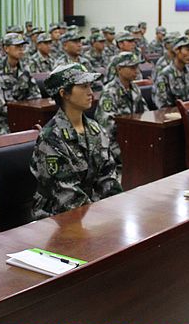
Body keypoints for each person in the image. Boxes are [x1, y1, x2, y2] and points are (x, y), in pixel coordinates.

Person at [30, 63, 122, 220]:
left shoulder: (95, 129)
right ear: (64, 93)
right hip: (54, 218)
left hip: (89, 212)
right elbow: (67, 196)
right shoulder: (50, 138)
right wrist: (102, 218)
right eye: (84, 86)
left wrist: (119, 207)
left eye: (90, 86)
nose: (90, 92)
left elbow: (108, 177)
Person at [94, 52, 147, 170]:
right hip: (115, 143)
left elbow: (146, 114)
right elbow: (106, 128)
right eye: (132, 67)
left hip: (133, 139)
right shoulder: (109, 92)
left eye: (137, 67)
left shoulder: (135, 88)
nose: (136, 71)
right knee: (142, 158)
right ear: (119, 69)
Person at [0, 33, 42, 135]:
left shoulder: (25, 69)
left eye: (22, 46)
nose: (21, 49)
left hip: (24, 117)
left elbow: (36, 96)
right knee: (16, 137)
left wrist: (29, 112)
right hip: (1, 121)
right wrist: (23, 113)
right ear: (6, 48)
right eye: (17, 46)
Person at [153, 35, 189, 108]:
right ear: (176, 50)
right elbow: (162, 105)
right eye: (188, 50)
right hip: (175, 114)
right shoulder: (164, 75)